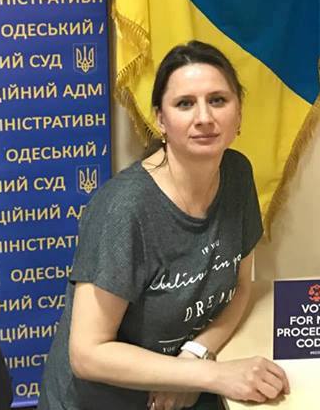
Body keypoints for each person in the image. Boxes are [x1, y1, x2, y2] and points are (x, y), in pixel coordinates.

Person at [38, 41, 290, 410]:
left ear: (238, 114)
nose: (204, 117)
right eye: (185, 104)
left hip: (180, 386)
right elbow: (88, 354)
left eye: (218, 100)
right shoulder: (124, 209)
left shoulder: (238, 174)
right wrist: (210, 376)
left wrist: (194, 358)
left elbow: (240, 287)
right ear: (160, 120)